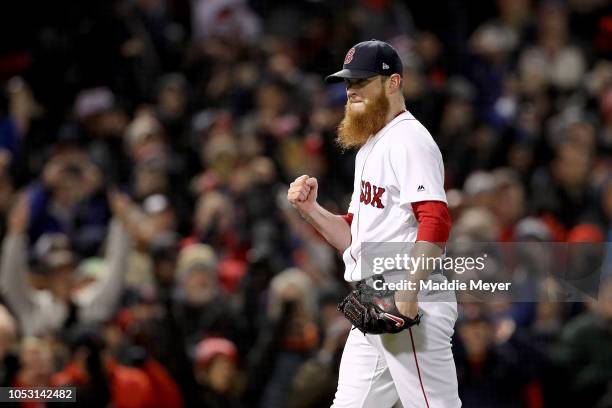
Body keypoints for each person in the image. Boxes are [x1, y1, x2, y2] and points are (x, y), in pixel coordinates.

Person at [287, 40, 460, 407]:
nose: (351, 89)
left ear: (393, 83)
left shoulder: (409, 139)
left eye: (363, 80)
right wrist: (311, 210)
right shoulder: (371, 144)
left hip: (406, 297)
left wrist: (408, 293)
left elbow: (435, 218)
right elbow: (353, 234)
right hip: (371, 299)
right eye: (349, 82)